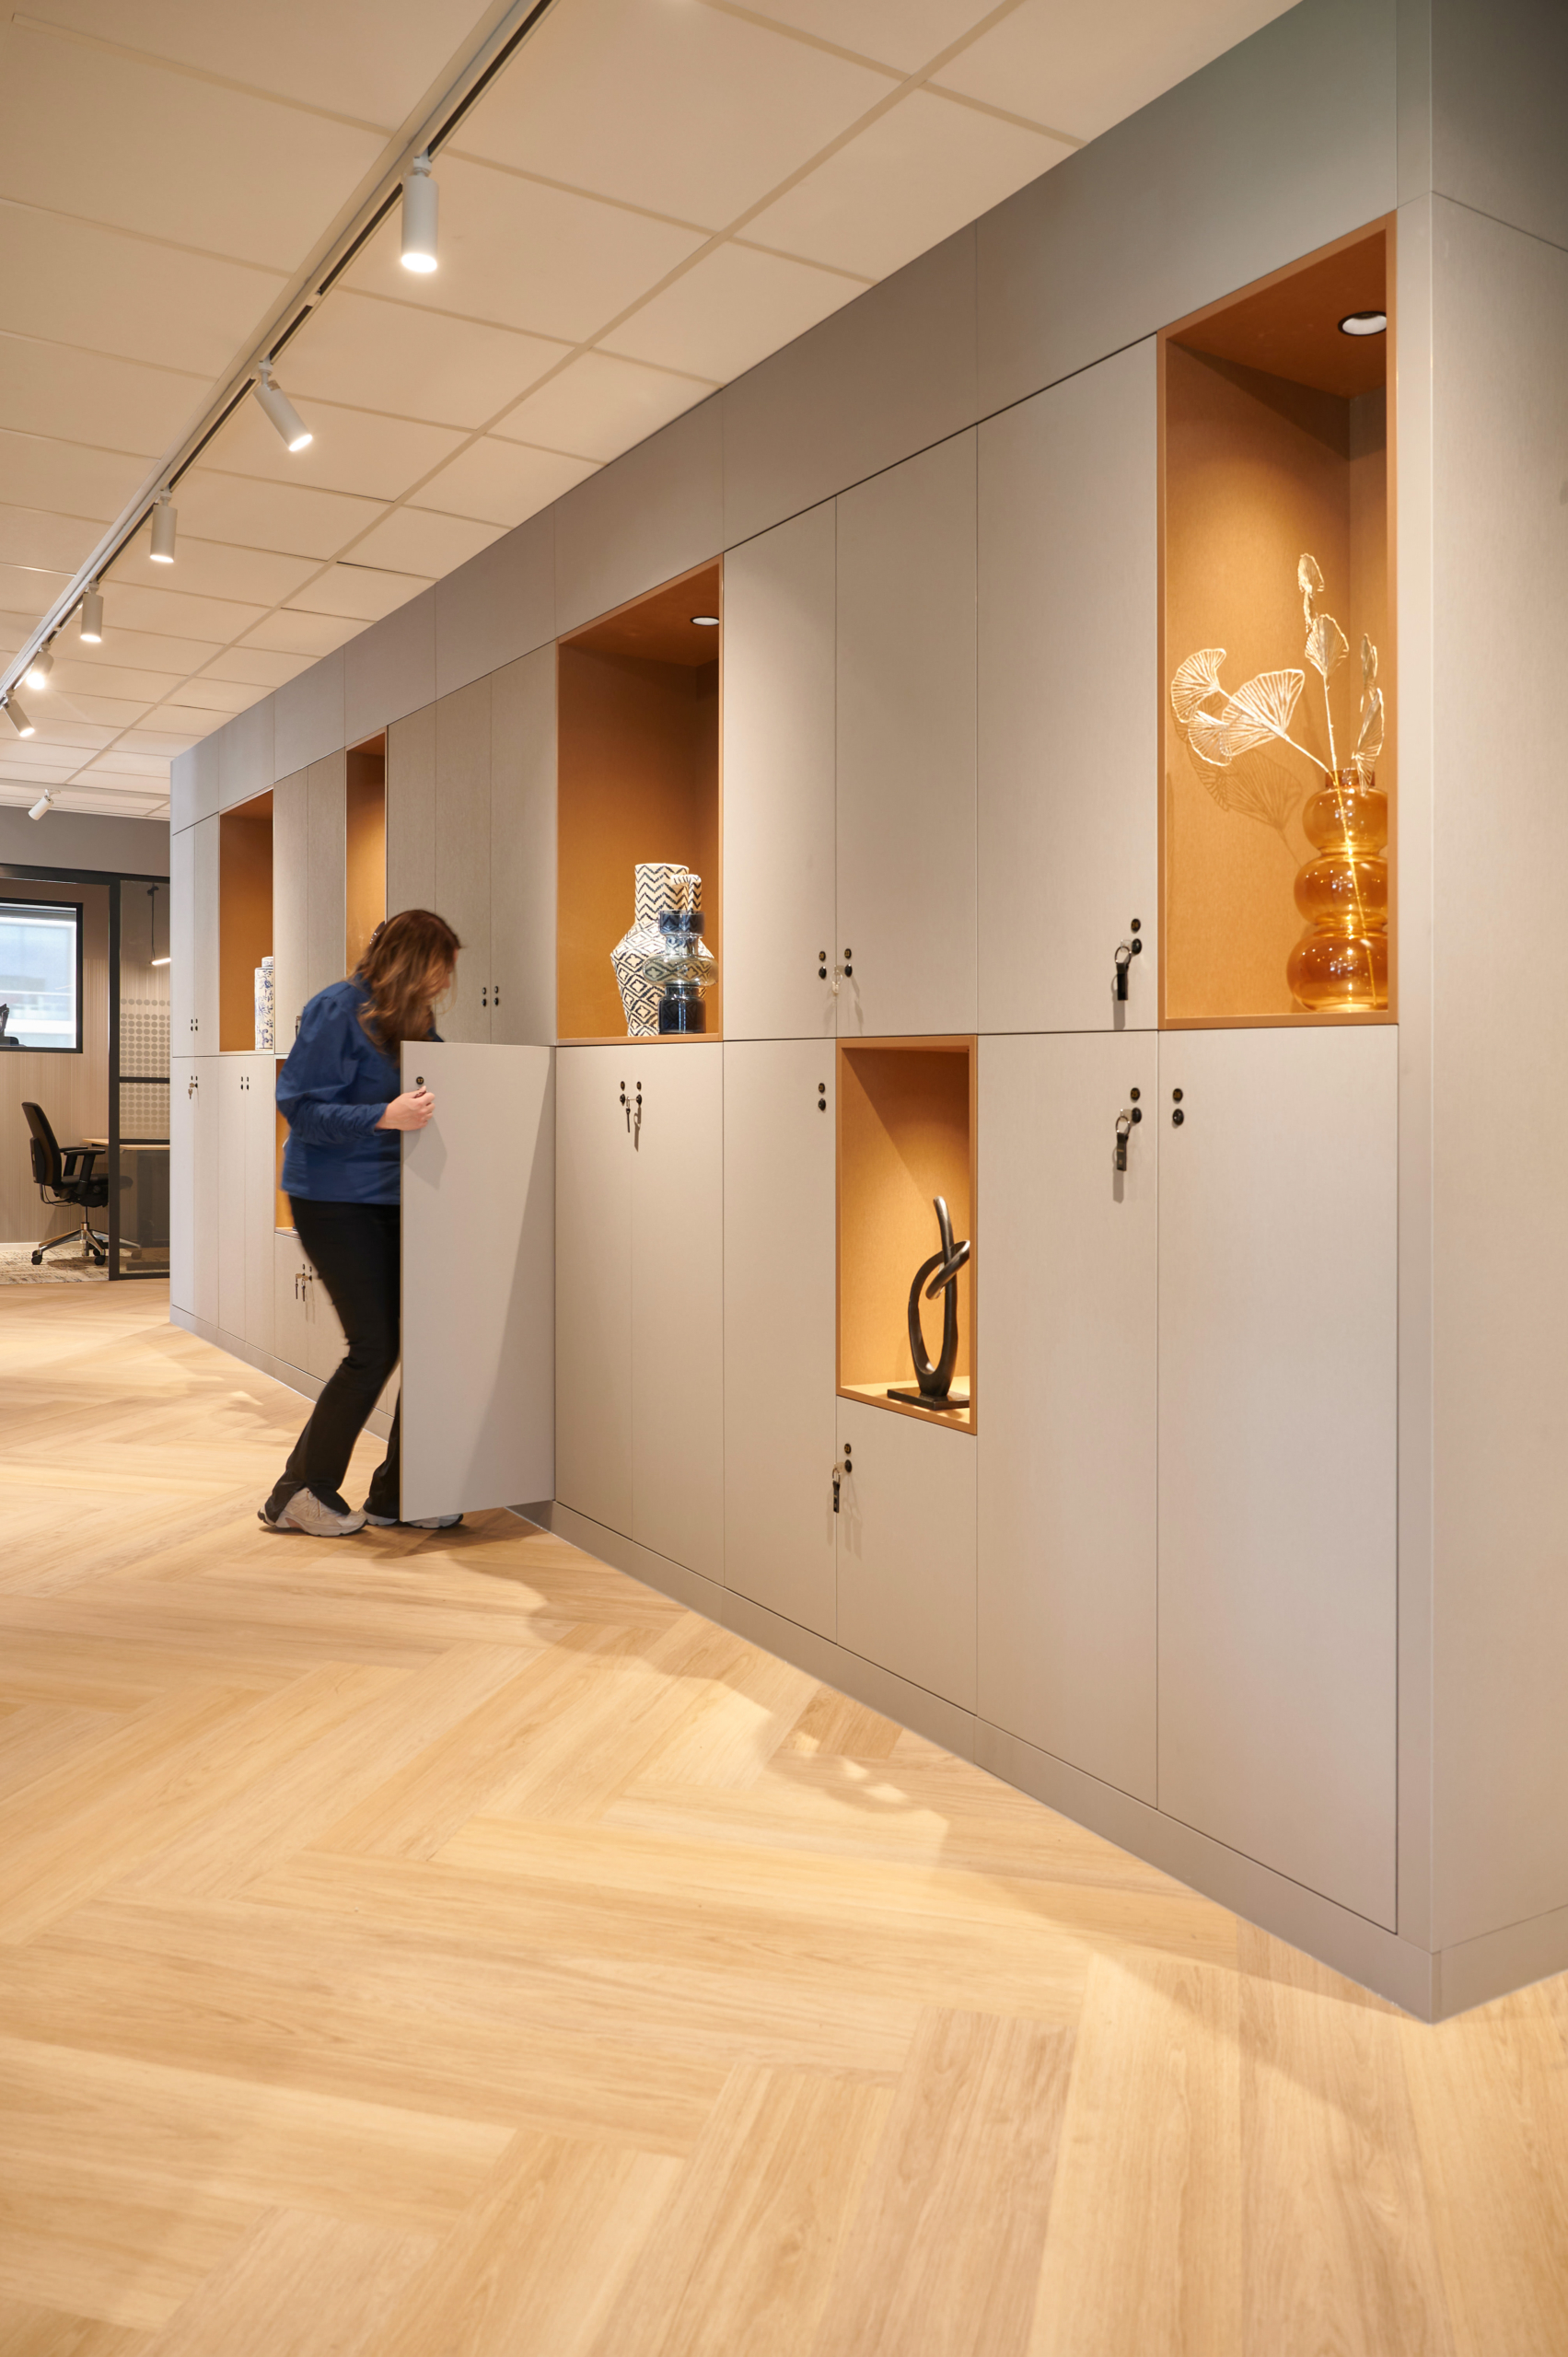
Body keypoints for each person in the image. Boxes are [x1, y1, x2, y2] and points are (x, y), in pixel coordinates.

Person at [260, 908, 461, 1538]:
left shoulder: (415, 1022)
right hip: (331, 1199)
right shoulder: (336, 1009)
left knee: (426, 1343)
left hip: (398, 1199)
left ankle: (403, 1492)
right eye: (440, 967)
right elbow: (299, 1107)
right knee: (374, 1348)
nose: (445, 982)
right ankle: (299, 1492)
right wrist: (382, 1115)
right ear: (413, 960)